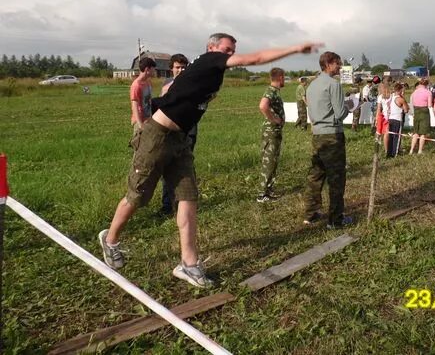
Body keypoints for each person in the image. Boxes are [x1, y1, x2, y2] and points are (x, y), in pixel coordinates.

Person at [99, 33, 321, 287]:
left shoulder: (209, 72)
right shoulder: (209, 61)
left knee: (188, 196)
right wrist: (295, 48)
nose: (229, 54)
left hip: (180, 140)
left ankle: (189, 264)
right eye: (226, 49)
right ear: (212, 48)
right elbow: (257, 57)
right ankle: (111, 239)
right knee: (138, 196)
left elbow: (174, 96)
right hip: (157, 138)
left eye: (232, 50)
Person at [303, 51, 353, 229]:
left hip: (317, 134)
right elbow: (339, 114)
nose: (340, 67)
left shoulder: (311, 86)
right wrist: (350, 106)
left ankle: (311, 213)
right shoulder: (334, 85)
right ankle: (336, 220)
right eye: (338, 63)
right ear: (329, 63)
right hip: (332, 135)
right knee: (336, 179)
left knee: (316, 175)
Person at [157, 53, 196, 215]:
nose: (180, 70)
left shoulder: (192, 83)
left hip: (188, 132)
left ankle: (185, 202)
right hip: (169, 132)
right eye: (177, 67)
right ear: (171, 69)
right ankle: (167, 204)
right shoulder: (166, 84)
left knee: (185, 168)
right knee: (167, 167)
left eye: (183, 67)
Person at [258, 67, 286, 203]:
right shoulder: (270, 91)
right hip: (271, 132)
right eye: (284, 77)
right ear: (280, 77)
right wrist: (274, 119)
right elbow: (263, 106)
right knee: (268, 161)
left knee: (273, 161)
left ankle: (269, 190)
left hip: (275, 132)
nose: (284, 80)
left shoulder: (274, 91)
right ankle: (262, 194)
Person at [129, 57, 156, 144]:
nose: (154, 72)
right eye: (153, 69)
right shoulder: (136, 85)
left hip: (148, 119)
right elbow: (135, 106)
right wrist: (140, 124)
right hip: (140, 121)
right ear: (147, 69)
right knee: (139, 148)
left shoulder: (148, 82)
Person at [409, 78, 432, 155]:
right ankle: (420, 150)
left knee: (415, 132)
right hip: (424, 112)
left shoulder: (414, 92)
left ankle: (411, 150)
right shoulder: (428, 92)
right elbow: (429, 105)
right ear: (426, 84)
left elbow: (411, 103)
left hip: (416, 111)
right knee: (423, 133)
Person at [386, 82, 409, 157]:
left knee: (391, 137)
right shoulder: (400, 99)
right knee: (397, 137)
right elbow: (406, 110)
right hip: (397, 119)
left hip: (391, 119)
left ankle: (389, 153)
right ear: (400, 90)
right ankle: (395, 153)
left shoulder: (391, 97)